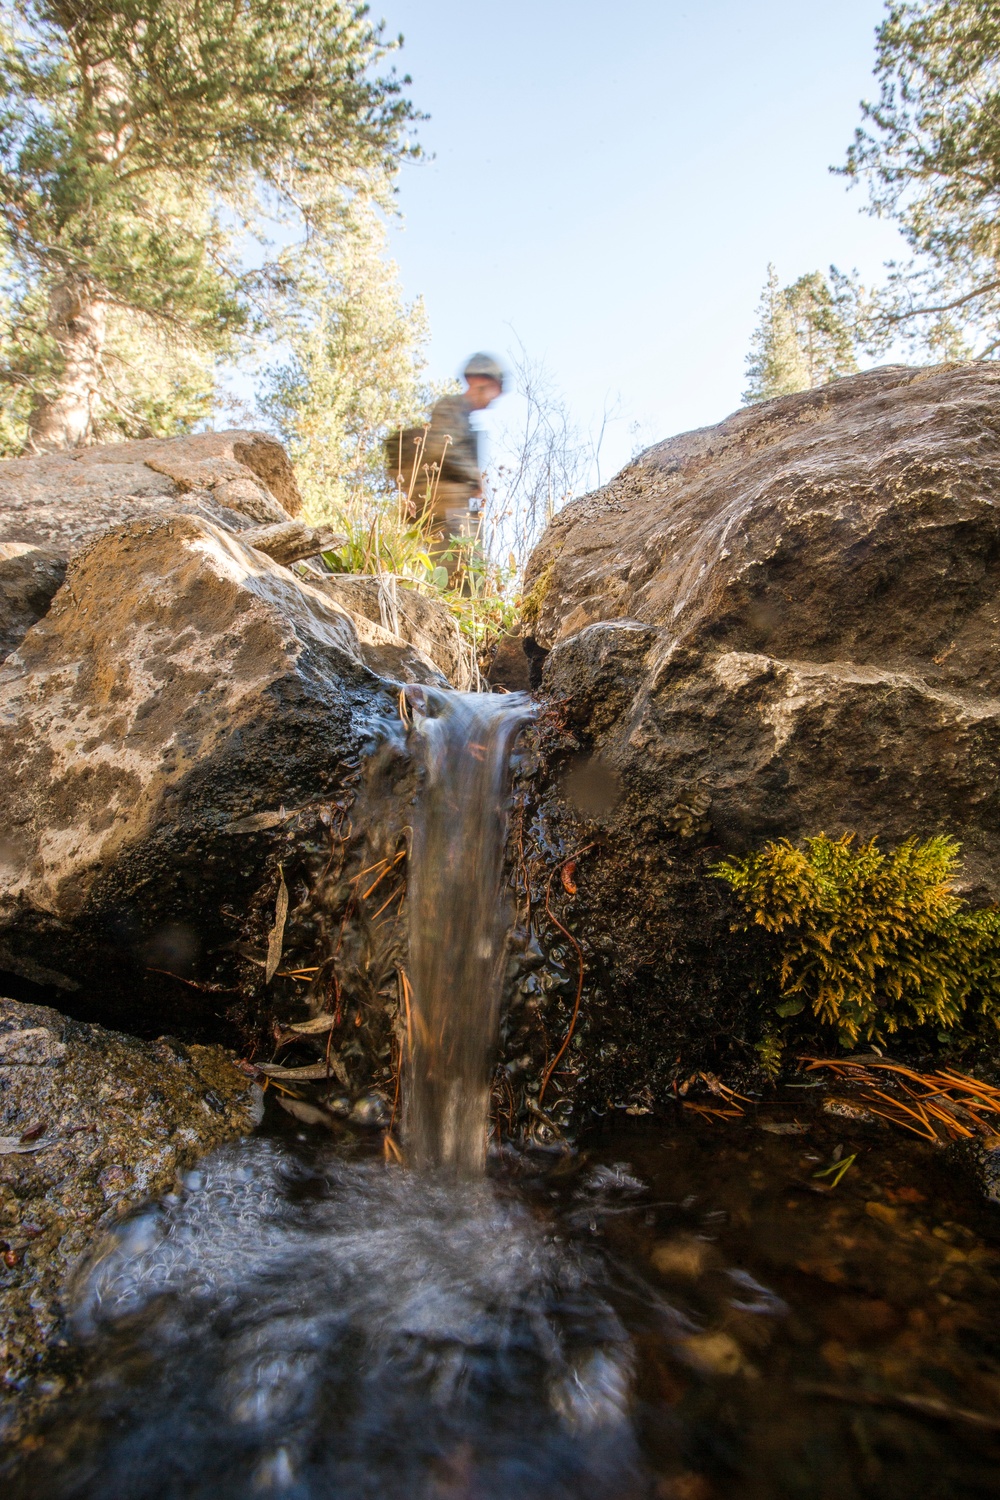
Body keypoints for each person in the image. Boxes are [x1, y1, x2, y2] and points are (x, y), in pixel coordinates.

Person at [408, 353, 505, 580]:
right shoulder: (450, 408)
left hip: (457, 506)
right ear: (480, 381)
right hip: (445, 506)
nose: (494, 398)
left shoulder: (464, 417)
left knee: (472, 569)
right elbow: (439, 449)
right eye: (494, 390)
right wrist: (474, 477)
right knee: (456, 571)